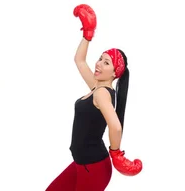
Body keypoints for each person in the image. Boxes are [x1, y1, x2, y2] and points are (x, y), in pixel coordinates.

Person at [45, 4, 143, 191]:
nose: (98, 64)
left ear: (115, 73)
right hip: (82, 164)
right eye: (100, 59)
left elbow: (115, 126)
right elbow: (79, 61)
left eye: (106, 63)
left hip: (94, 167)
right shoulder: (96, 87)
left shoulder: (101, 93)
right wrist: (87, 33)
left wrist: (116, 153)